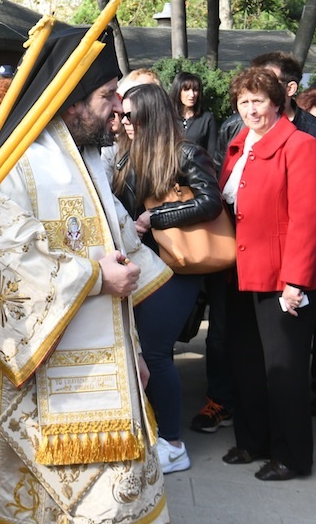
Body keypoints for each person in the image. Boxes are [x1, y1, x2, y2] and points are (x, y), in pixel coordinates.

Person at [0, 28, 172, 522]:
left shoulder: (89, 159)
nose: (117, 108)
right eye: (106, 96)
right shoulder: (12, 162)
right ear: (71, 100)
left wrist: (134, 351)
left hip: (109, 381)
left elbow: (122, 257)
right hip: (40, 394)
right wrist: (94, 278)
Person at [218, 67, 316, 481]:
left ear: (278, 103)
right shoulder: (238, 144)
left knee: (284, 371)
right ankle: (254, 442)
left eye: (259, 101)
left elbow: (308, 219)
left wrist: (295, 281)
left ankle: (291, 457)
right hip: (244, 269)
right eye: (244, 102)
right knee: (248, 362)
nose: (251, 110)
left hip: (287, 274)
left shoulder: (300, 145)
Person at [113, 83, 224, 475]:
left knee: (157, 355)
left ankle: (174, 444)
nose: (123, 121)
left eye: (130, 114)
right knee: (140, 354)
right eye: (121, 114)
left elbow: (211, 202)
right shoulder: (127, 154)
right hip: (139, 268)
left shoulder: (187, 151)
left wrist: (155, 217)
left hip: (176, 269)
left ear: (151, 115)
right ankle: (155, 433)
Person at [171, 71, 218, 156]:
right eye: (186, 90)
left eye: (195, 90)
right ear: (178, 91)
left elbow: (212, 154)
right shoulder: (168, 118)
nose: (192, 95)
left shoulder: (207, 119)